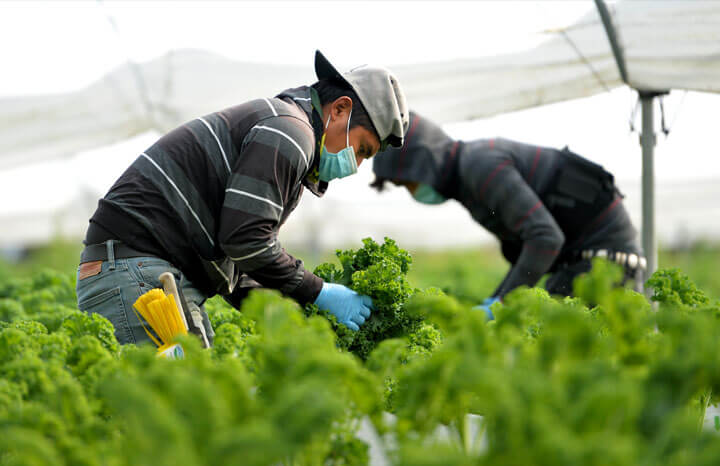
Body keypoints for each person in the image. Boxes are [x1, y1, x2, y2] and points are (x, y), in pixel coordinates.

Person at [76, 51, 409, 344]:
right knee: (178, 406)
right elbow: (246, 240)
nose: (357, 165)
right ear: (339, 109)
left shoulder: (286, 132)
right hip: (137, 268)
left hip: (136, 267)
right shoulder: (291, 133)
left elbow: (239, 261)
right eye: (362, 149)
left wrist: (289, 321)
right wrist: (318, 291)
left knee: (191, 401)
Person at [371, 111, 645, 318]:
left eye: (408, 182)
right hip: (587, 260)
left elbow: (545, 238)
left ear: (425, 162)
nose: (412, 191)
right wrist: (496, 300)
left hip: (605, 259)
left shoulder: (479, 165)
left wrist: (501, 303)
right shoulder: (468, 176)